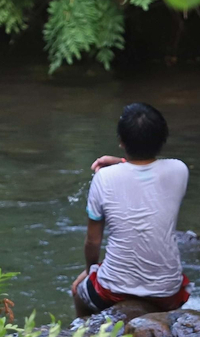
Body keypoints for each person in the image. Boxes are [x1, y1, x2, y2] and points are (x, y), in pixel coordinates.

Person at [71, 102, 191, 317]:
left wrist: (91, 270)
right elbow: (148, 173)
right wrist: (122, 163)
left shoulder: (103, 178)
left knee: (77, 290)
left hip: (113, 290)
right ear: (163, 139)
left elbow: (93, 241)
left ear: (121, 142)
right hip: (168, 292)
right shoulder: (179, 170)